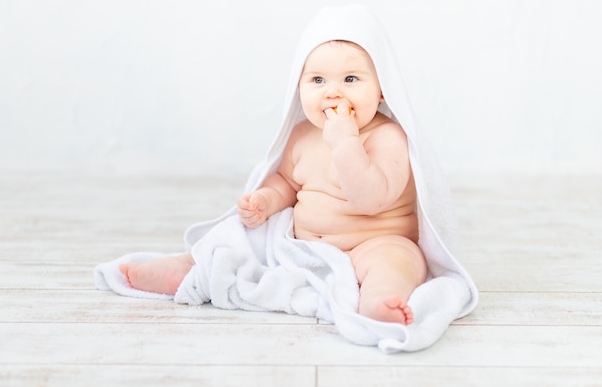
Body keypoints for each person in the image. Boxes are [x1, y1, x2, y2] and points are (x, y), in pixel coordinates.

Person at [119, 30, 428, 326]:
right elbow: (287, 183)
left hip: (373, 242)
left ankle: (378, 299)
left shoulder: (388, 137)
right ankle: (191, 269)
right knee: (235, 237)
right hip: (299, 246)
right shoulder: (303, 134)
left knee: (401, 260)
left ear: (382, 89)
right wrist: (265, 200)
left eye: (350, 79)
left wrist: (346, 143)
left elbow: (371, 200)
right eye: (317, 80)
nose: (333, 92)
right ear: (299, 87)